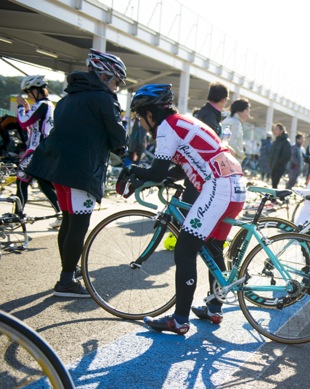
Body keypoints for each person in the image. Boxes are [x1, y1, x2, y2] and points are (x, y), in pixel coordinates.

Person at [120, 84, 247, 335]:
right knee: (213, 247)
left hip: (218, 187)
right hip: (236, 183)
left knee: (184, 251)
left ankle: (179, 320)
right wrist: (168, 177)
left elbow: (156, 171)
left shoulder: (167, 128)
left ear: (149, 114)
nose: (140, 123)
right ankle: (214, 308)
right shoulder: (185, 122)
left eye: (139, 116)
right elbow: (185, 164)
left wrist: (132, 171)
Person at [26, 49, 128, 298]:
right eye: (116, 81)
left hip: (56, 169)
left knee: (70, 221)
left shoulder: (67, 98)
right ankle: (66, 281)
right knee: (79, 224)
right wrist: (123, 148)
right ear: (105, 76)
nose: (116, 87)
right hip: (80, 170)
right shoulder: (103, 98)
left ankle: (68, 272)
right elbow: (117, 136)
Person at [14, 75, 62, 227]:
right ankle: (61, 213)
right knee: (43, 183)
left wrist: (21, 106)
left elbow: (23, 122)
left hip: (36, 151)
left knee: (21, 179)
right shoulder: (49, 105)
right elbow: (35, 127)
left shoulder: (41, 105)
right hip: (45, 150)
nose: (28, 95)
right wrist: (28, 109)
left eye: (29, 91)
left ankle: (18, 215)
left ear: (36, 90)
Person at [220, 98, 251, 163]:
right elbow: (232, 142)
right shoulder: (236, 123)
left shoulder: (228, 119)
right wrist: (242, 155)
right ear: (240, 111)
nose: (248, 115)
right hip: (231, 160)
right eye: (247, 111)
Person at [269, 123, 291, 189]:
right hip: (273, 166)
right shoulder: (276, 141)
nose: (274, 131)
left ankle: (275, 197)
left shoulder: (285, 142)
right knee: (273, 183)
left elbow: (287, 155)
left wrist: (279, 163)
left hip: (279, 167)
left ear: (281, 131)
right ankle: (275, 197)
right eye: (274, 129)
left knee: (275, 183)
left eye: (276, 130)